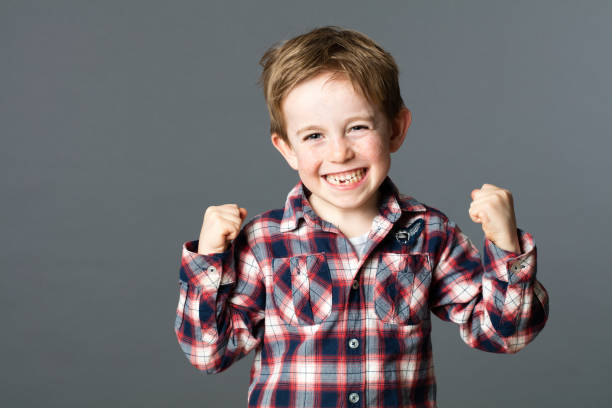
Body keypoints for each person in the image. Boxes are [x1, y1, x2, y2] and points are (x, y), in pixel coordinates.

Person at [174, 26, 549, 408]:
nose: (339, 153)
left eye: (357, 128)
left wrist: (505, 245)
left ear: (396, 130)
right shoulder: (263, 242)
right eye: (314, 136)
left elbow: (506, 336)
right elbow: (209, 355)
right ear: (286, 148)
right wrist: (208, 261)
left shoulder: (430, 234)